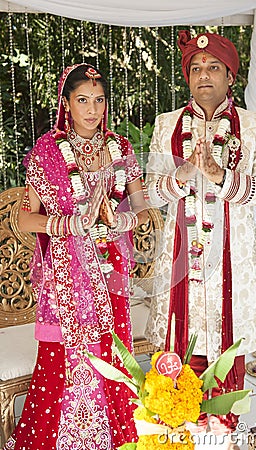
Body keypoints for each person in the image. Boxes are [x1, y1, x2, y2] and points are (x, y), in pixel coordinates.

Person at [5, 63, 148, 450]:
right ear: (66, 103)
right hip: (66, 273)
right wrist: (70, 224)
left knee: (111, 350)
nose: (92, 109)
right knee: (62, 355)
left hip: (110, 265)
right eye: (82, 100)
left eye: (99, 100)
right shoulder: (47, 152)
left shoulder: (119, 147)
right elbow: (26, 217)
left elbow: (142, 206)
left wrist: (118, 220)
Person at [144, 31, 256, 432]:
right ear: (187, 76)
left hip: (232, 256)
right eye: (196, 68)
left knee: (227, 340)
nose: (204, 75)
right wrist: (183, 174)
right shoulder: (166, 124)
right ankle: (182, 417)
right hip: (182, 256)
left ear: (230, 76)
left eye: (214, 67)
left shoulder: (253, 126)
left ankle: (223, 423)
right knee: (181, 341)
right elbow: (150, 191)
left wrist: (223, 177)